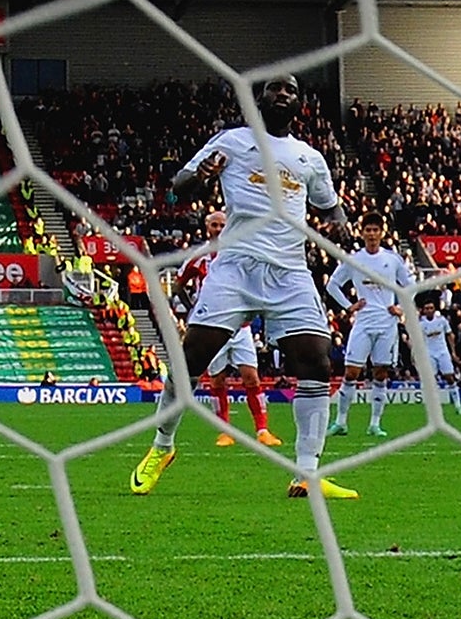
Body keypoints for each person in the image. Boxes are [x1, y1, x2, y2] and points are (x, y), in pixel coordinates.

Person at [130, 75, 359, 500]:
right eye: (276, 88)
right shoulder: (231, 142)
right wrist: (203, 173)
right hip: (235, 267)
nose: (284, 94)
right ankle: (162, 446)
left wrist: (340, 228)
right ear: (260, 99)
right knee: (191, 357)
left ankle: (306, 473)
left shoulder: (309, 158)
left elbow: (331, 209)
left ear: (299, 103)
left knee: (317, 365)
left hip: (290, 271)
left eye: (292, 89)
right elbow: (179, 189)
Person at [174, 210, 281, 448]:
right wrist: (193, 307)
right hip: (212, 327)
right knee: (218, 381)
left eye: (223, 224)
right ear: (206, 228)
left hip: (241, 326)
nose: (219, 229)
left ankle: (262, 430)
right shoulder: (199, 256)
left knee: (251, 378)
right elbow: (178, 284)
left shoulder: (241, 252)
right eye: (214, 225)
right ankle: (224, 431)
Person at [326, 215, 415, 438]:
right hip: (364, 322)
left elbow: (411, 286)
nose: (372, 234)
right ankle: (341, 422)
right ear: (362, 232)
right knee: (351, 372)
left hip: (387, 324)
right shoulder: (355, 259)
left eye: (376, 229)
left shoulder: (392, 259)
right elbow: (333, 285)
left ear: (382, 232)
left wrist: (401, 308)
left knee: (381, 373)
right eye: (368, 230)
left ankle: (375, 424)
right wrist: (349, 306)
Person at [418, 298, 461, 416]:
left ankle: (458, 406)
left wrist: (453, 352)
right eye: (427, 309)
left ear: (434, 309)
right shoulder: (421, 324)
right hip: (429, 353)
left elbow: (450, 336)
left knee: (449, 377)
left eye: (431, 308)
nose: (429, 311)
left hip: (442, 352)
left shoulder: (442, 321)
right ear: (423, 310)